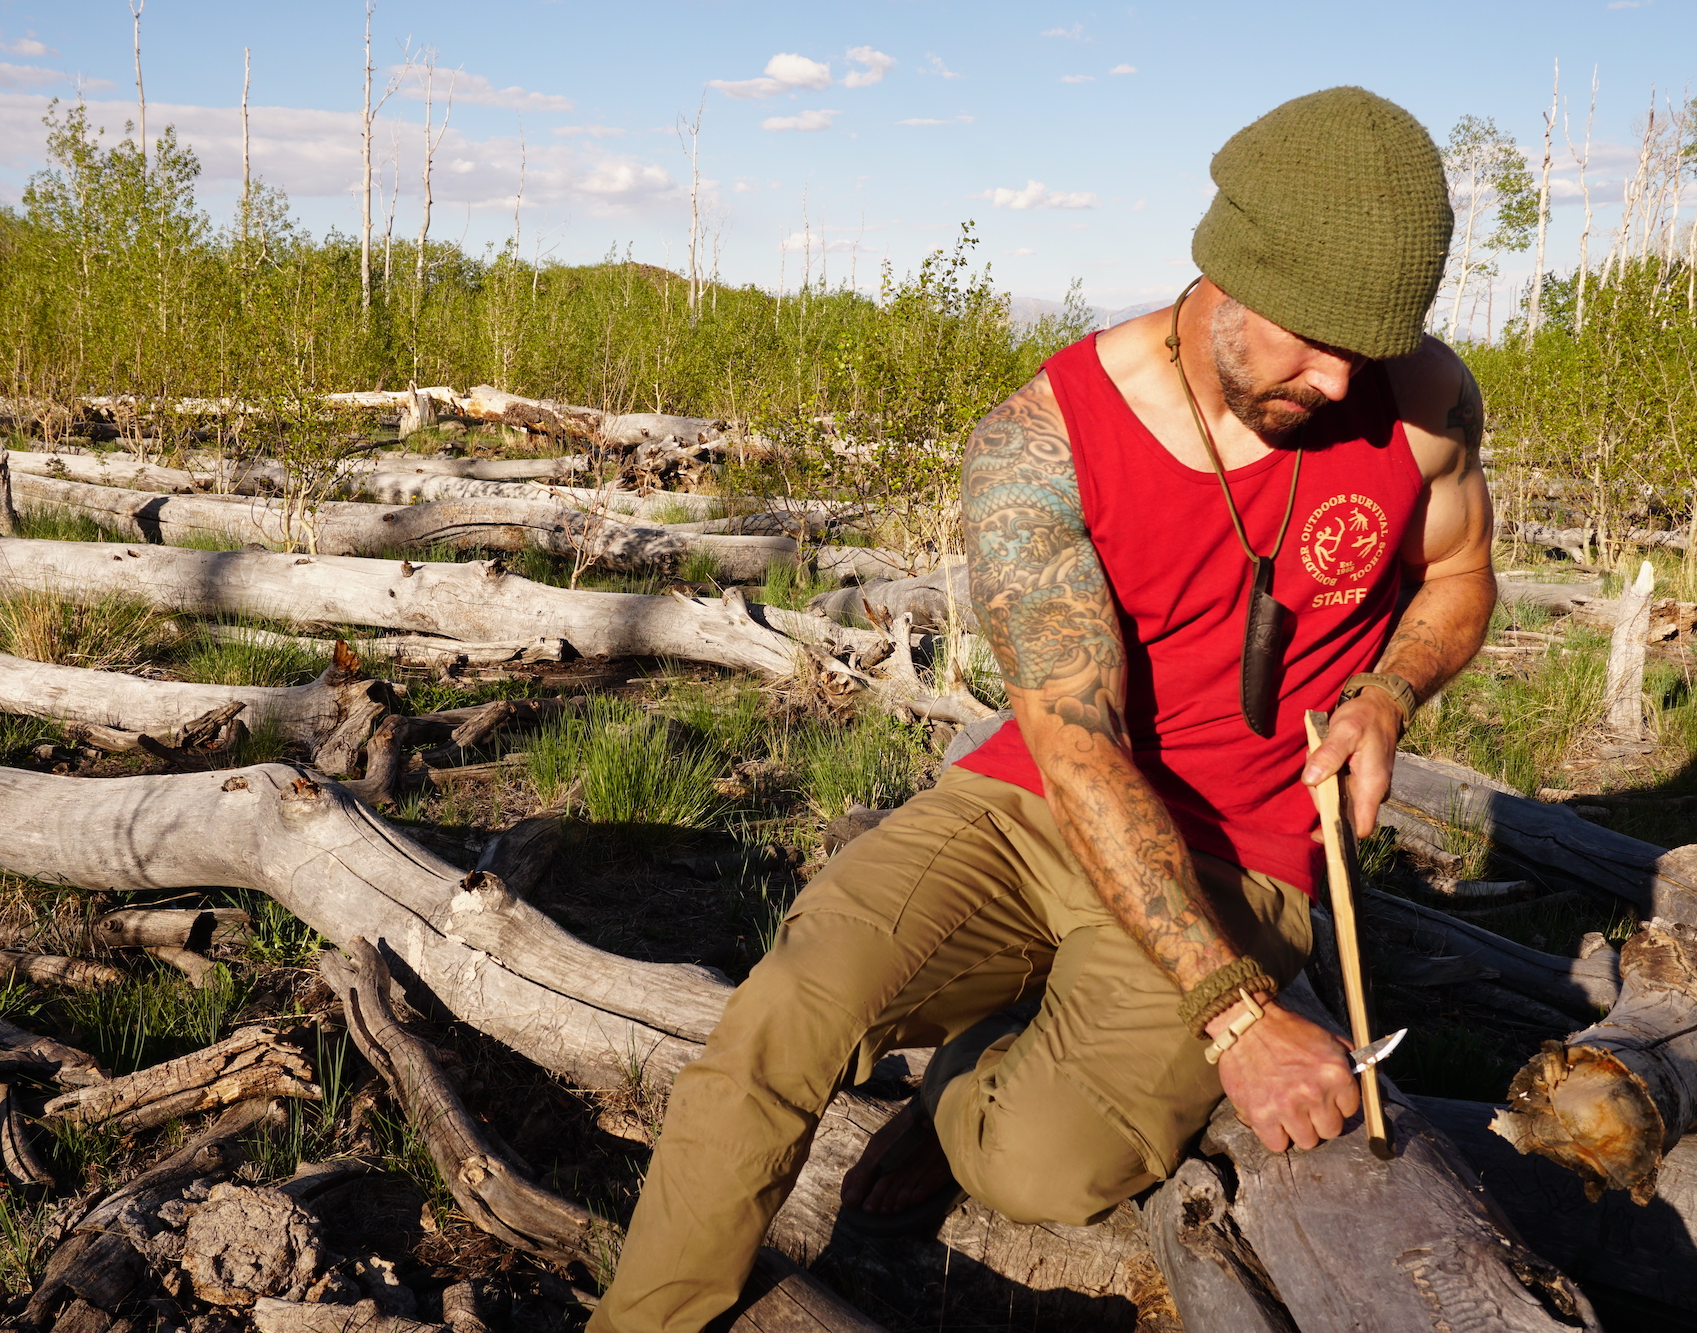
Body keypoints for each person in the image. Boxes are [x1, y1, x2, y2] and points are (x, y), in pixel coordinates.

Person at [588, 85, 1496, 1333]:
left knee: (1037, 1166)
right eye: (1305, 336)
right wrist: (1234, 1013)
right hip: (1036, 805)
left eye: (1367, 343)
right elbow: (1077, 750)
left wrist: (1388, 694)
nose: (1337, 376)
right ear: (1226, 267)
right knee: (786, 1011)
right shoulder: (1042, 440)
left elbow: (1455, 577)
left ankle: (970, 1064)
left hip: (1253, 854)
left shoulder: (1421, 401)